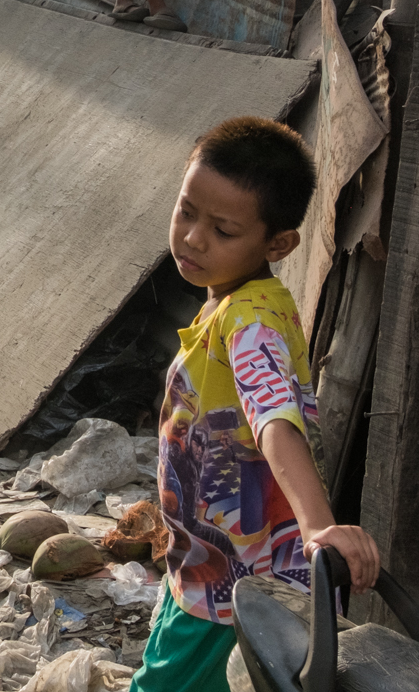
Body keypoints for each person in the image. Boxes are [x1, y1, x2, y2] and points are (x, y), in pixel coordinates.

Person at [134, 117, 380, 692]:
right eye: (187, 210)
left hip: (242, 584)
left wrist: (320, 528)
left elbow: (274, 418)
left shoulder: (248, 321)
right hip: (210, 571)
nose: (194, 238)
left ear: (278, 244)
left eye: (222, 230)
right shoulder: (233, 304)